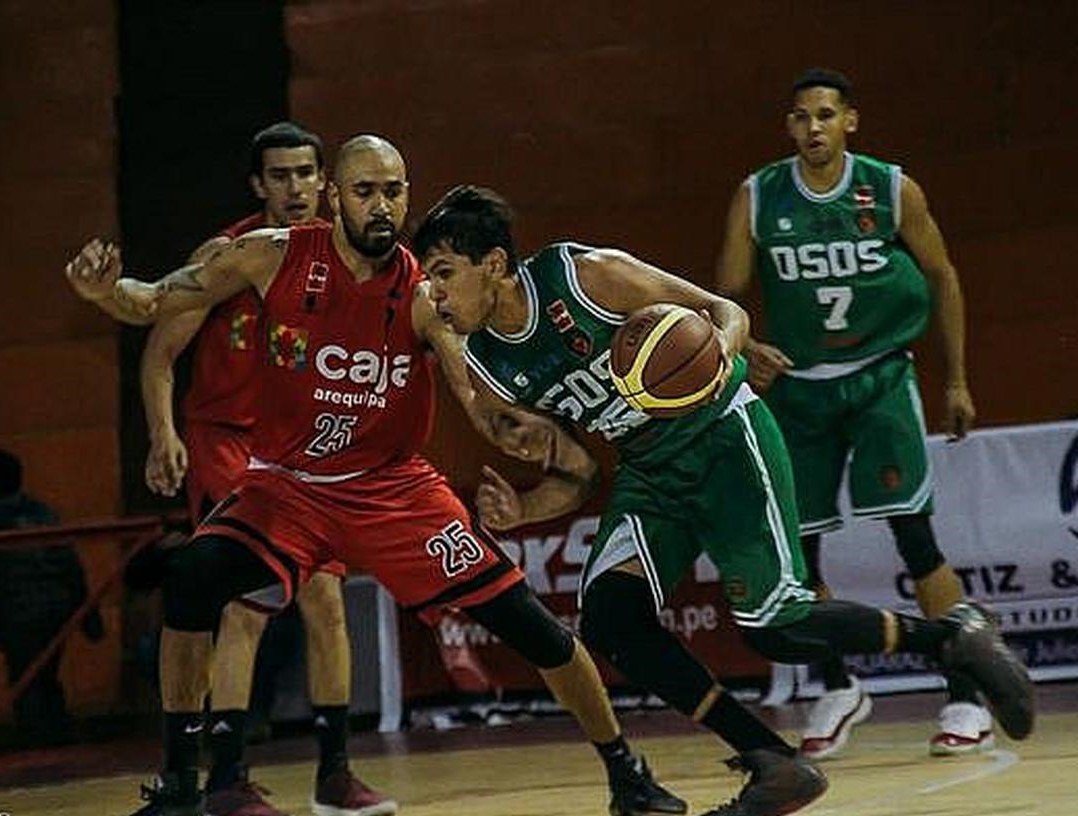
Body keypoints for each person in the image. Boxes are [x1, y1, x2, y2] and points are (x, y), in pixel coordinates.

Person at [65, 134, 685, 816]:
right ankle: (183, 785)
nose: (382, 205)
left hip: (392, 492)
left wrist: (536, 438)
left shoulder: (424, 294)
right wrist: (104, 292)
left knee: (533, 627)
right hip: (287, 487)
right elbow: (154, 300)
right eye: (366, 191)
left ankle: (627, 773)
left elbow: (478, 400)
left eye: (394, 190)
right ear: (334, 196)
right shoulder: (270, 255)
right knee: (191, 579)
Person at [411, 184, 1034, 816]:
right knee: (609, 619)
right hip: (649, 470)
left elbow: (720, 311)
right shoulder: (489, 365)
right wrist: (524, 511)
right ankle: (775, 763)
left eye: (442, 274)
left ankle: (953, 639)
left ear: (492, 263)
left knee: (777, 629)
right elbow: (576, 475)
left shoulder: (582, 276)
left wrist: (714, 359)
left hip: (724, 436)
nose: (433, 294)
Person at [714, 67, 988, 759]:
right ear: (789, 127)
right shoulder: (756, 196)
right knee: (798, 553)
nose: (814, 128)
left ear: (850, 121)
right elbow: (725, 297)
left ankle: (967, 690)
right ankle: (837, 685)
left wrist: (955, 380)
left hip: (879, 377)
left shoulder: (891, 188)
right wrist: (754, 346)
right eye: (802, 117)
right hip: (802, 388)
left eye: (826, 115)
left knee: (913, 535)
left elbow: (942, 274)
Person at [132, 121, 390, 816]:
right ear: (258, 185)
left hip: (299, 450)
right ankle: (224, 777)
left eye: (307, 173)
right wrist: (163, 434)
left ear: (325, 183)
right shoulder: (231, 255)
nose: (296, 187)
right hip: (225, 442)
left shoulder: (342, 257)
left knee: (327, 602)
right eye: (280, 176)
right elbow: (159, 352)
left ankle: (334, 771)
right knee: (244, 606)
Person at [0, 449, 104, 748]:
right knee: (45, 676)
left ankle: (37, 745)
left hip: (16, 611)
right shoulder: (42, 513)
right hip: (55, 609)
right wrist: (89, 617)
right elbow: (71, 566)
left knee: (27, 680)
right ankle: (59, 738)